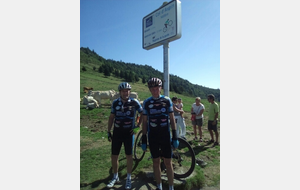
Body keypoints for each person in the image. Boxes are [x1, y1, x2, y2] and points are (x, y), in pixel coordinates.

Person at [142, 77, 179, 190]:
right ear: (149, 89)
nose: (155, 90)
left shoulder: (167, 100)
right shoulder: (147, 102)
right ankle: (159, 186)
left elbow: (172, 119)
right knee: (156, 162)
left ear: (161, 88)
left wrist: (175, 136)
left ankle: (171, 187)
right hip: (153, 136)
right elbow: (144, 122)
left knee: (168, 162)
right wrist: (144, 138)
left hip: (165, 135)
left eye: (157, 88)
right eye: (152, 89)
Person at [107, 82, 143, 189]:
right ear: (120, 92)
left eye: (127, 91)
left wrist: (138, 126)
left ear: (129, 92)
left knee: (129, 156)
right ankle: (115, 176)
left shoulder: (135, 102)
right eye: (123, 91)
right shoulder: (115, 103)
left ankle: (128, 178)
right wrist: (109, 131)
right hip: (117, 132)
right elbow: (111, 117)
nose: (125, 93)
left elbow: (142, 113)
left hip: (129, 133)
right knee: (114, 156)